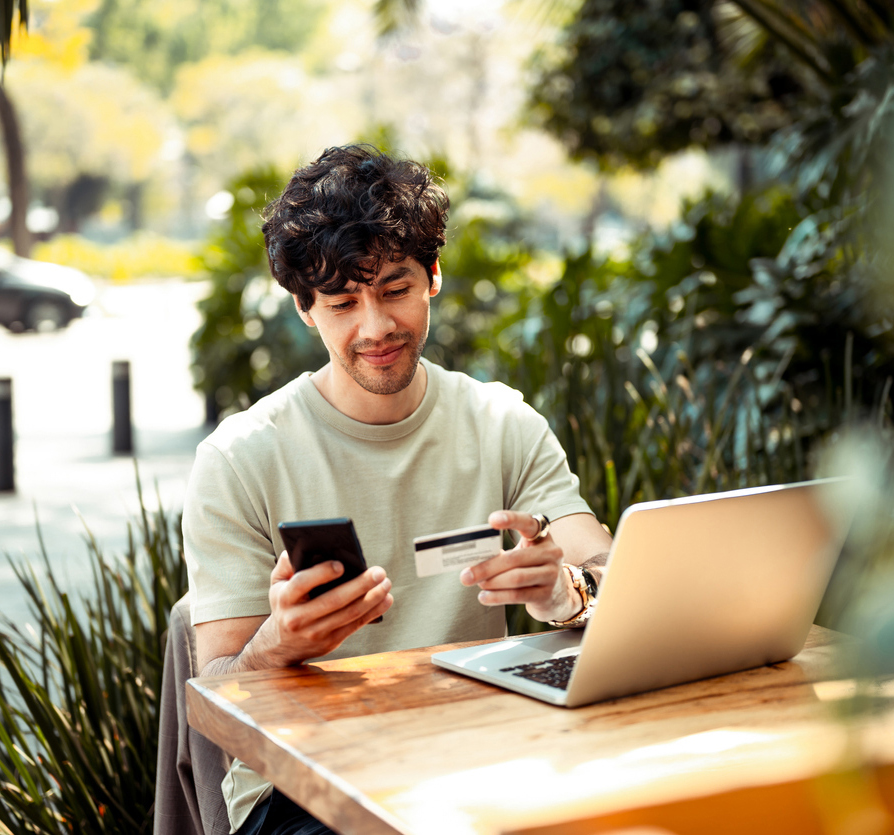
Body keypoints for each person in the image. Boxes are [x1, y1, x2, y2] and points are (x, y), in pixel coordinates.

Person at [182, 144, 613, 835]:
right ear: (304, 308)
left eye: (394, 289)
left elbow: (611, 576)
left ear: (433, 277)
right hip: (302, 789)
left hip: (482, 753)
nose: (375, 327)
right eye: (344, 301)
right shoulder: (240, 457)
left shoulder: (502, 423)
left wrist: (567, 592)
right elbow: (219, 686)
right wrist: (278, 642)